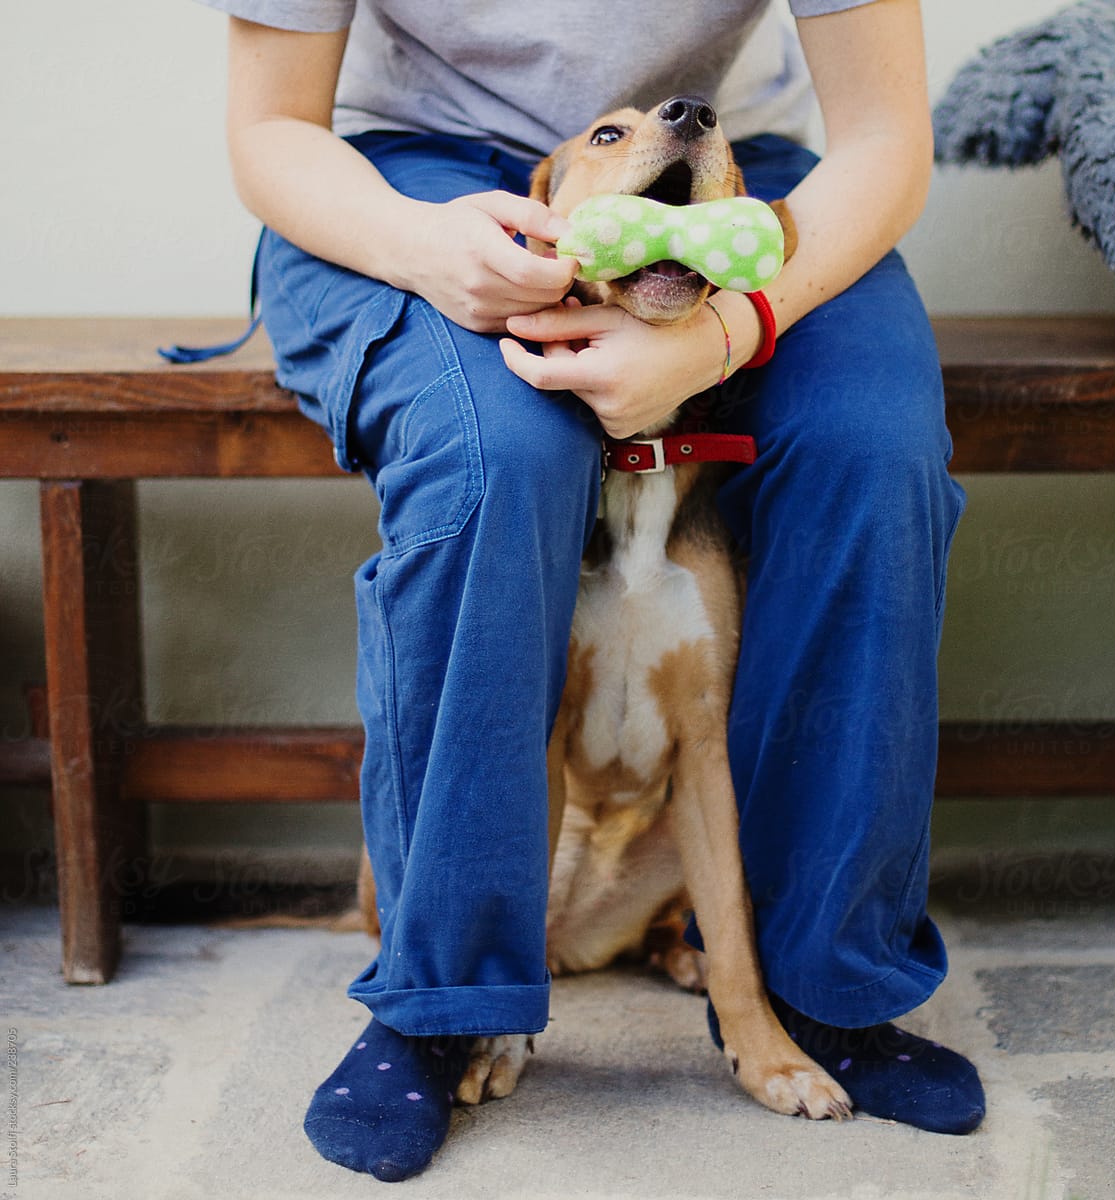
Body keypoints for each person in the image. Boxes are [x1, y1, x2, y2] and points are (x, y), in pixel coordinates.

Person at [196, 0, 984, 1180]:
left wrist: (731, 327)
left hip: (738, 176)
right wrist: (419, 244)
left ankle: (824, 980)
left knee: (871, 450)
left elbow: (881, 132)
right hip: (402, 176)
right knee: (500, 454)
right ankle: (444, 1002)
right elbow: (270, 130)